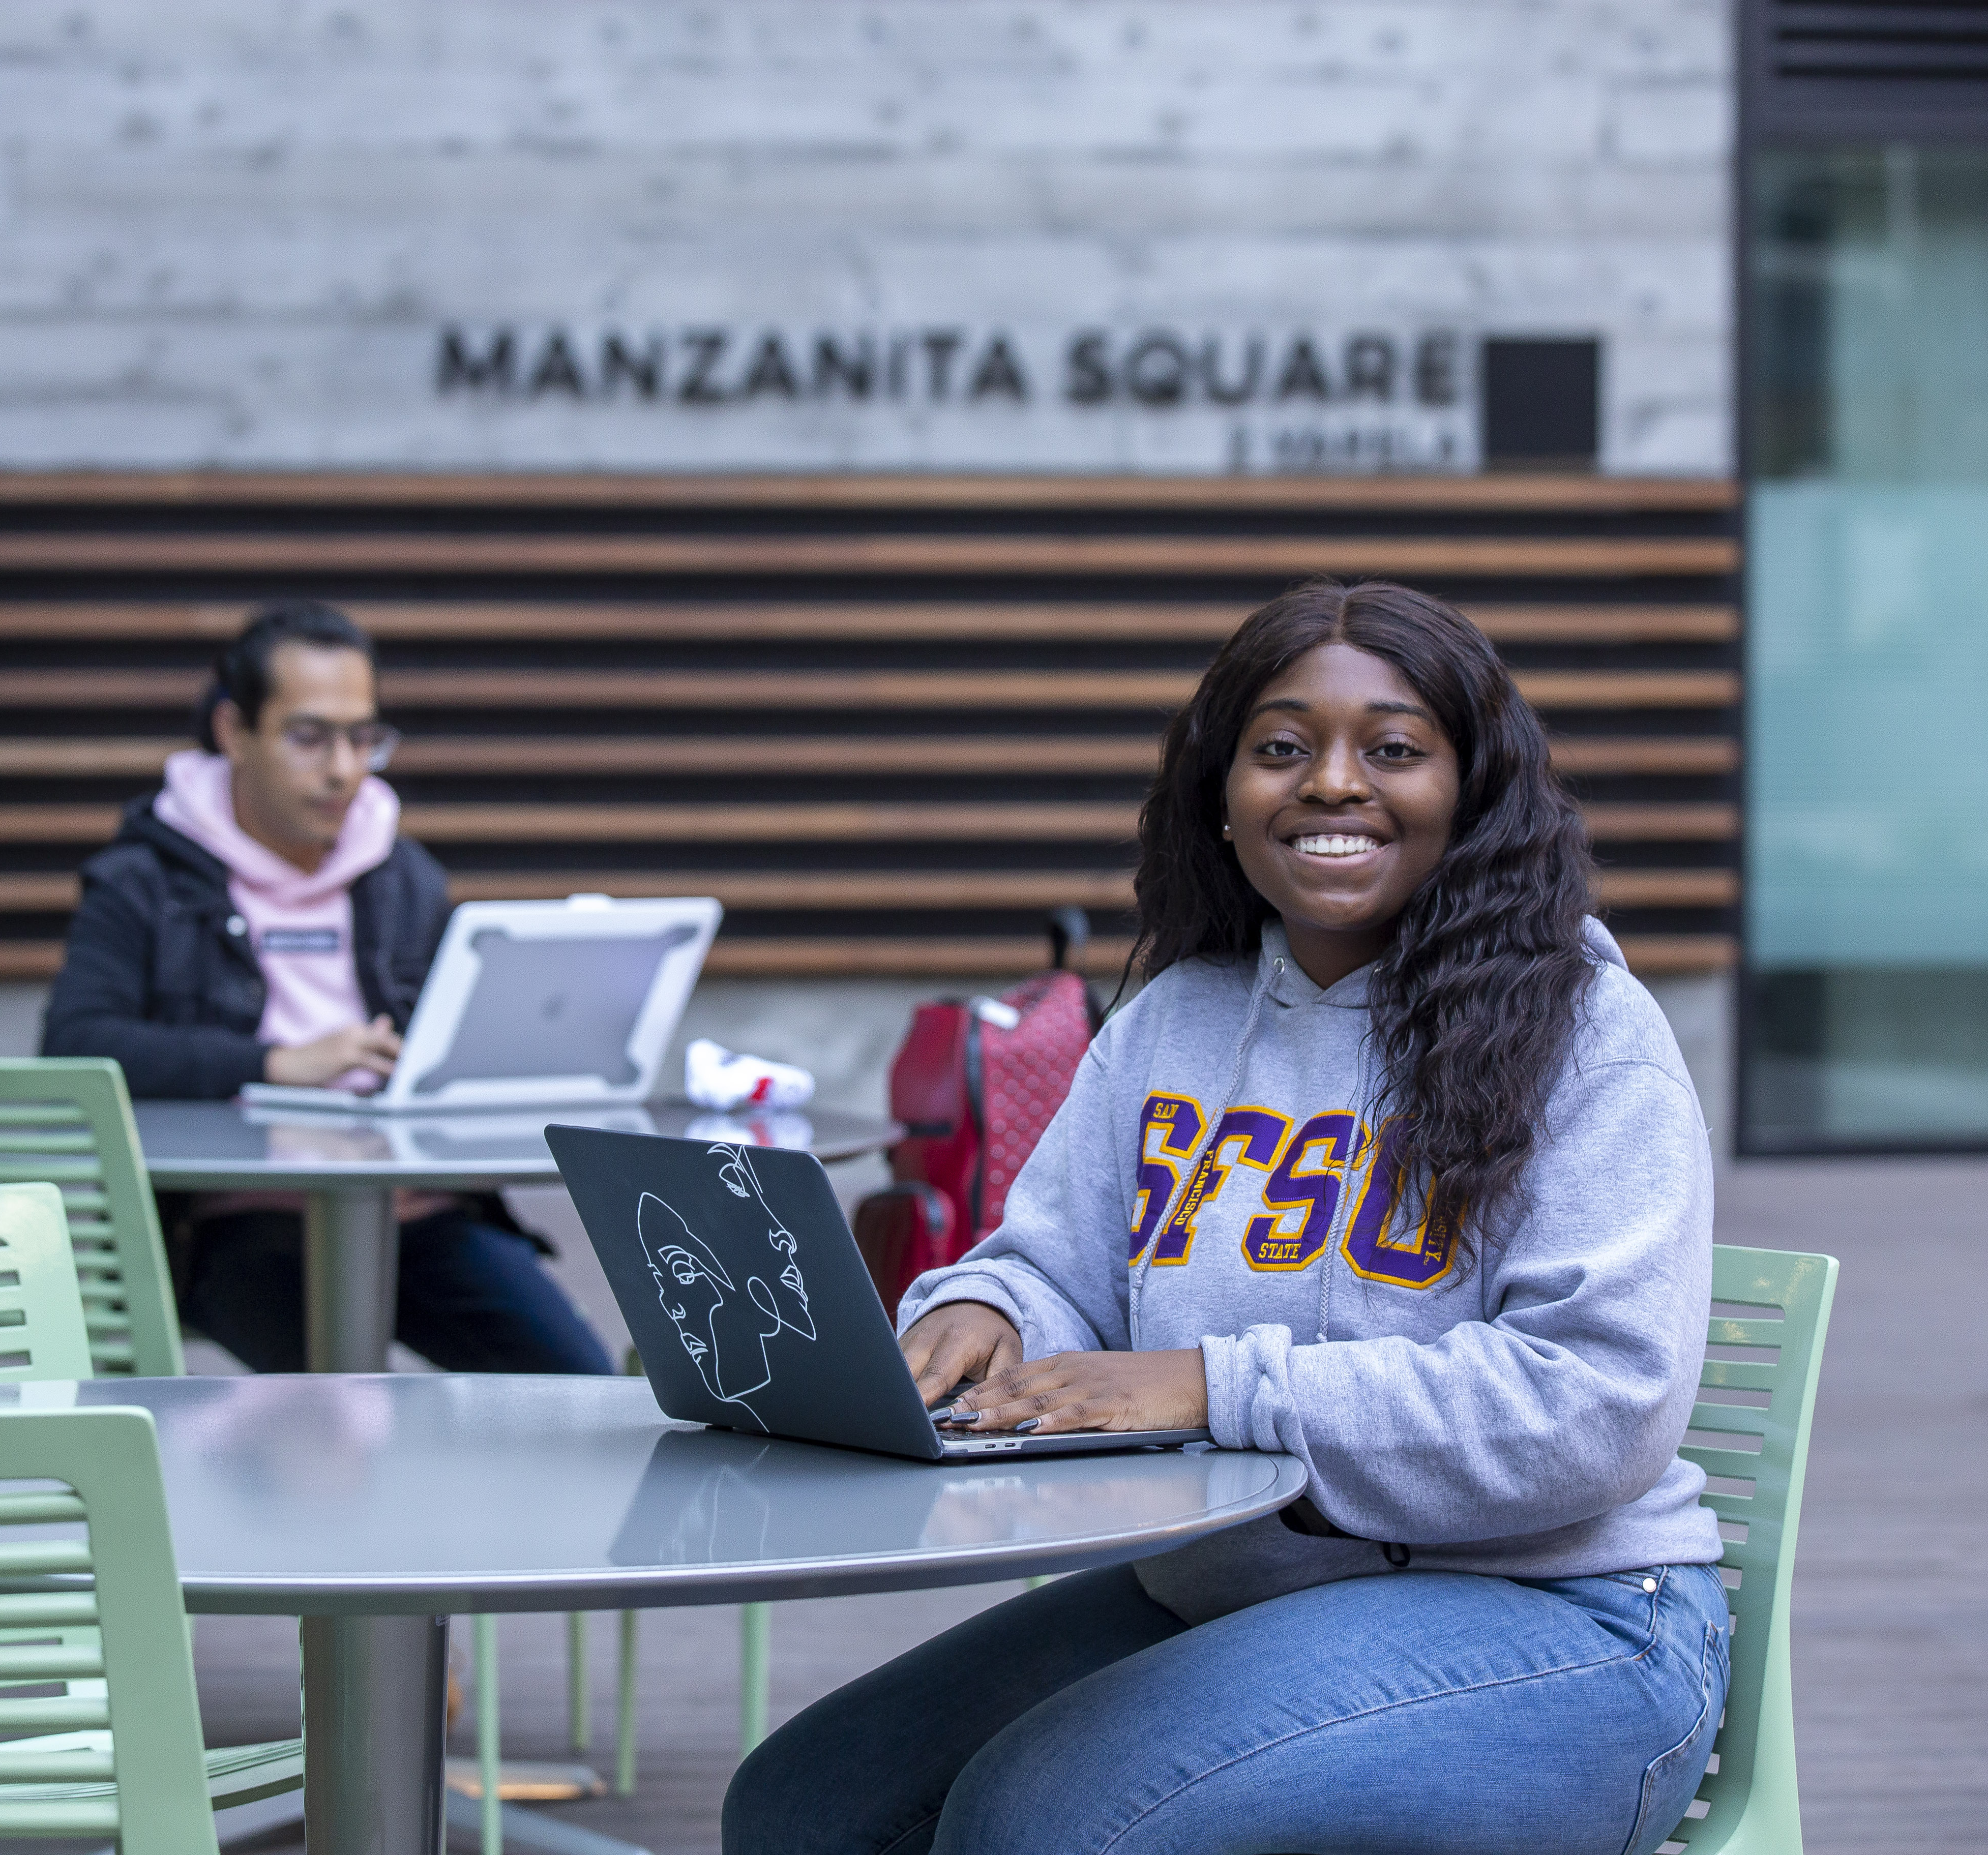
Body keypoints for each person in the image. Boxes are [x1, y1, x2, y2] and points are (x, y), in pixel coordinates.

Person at [725, 580, 1727, 1855]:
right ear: (1223, 791)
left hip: (1569, 1623)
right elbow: (1057, 1271)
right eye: (1282, 748)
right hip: (1241, 1589)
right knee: (802, 1808)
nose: (1333, 784)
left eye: (1397, 749)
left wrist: (1214, 1385)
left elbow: (1598, 1406)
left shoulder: (1587, 1032)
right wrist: (985, 1306)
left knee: (1041, 1826)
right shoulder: (1174, 1023)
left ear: (1475, 794)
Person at [39, 600, 614, 1377]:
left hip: (418, 1209)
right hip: (245, 1222)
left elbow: (447, 1043)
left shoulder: (401, 871)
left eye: (362, 737)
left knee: (584, 1391)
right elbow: (76, 1046)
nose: (342, 768)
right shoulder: (144, 880)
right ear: (233, 733)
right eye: (309, 737)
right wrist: (273, 1063)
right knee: (336, 1422)